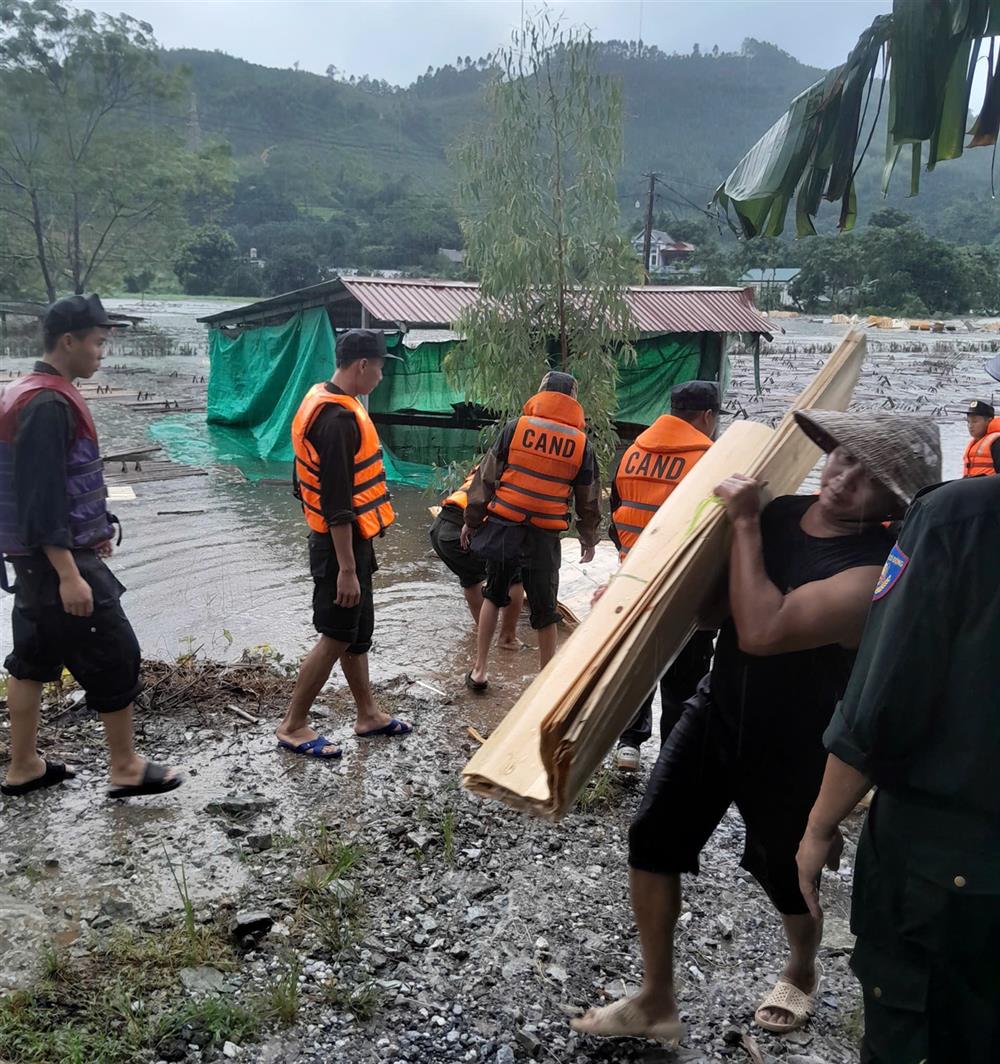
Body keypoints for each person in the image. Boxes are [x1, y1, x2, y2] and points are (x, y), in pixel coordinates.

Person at [572, 410, 940, 1046]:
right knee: (653, 836)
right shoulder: (776, 513)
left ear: (893, 502)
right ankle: (657, 997)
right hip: (721, 704)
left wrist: (742, 521)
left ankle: (800, 966)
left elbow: (765, 631)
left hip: (798, 737)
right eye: (844, 456)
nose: (845, 477)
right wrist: (631, 598)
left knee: (781, 868)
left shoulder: (875, 570)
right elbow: (717, 611)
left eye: (871, 476)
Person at [796, 360, 1000, 1063]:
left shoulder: (958, 518)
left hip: (945, 864)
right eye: (835, 457)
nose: (838, 475)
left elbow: (882, 704)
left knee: (919, 1031)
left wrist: (820, 825)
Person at [0, 294, 182, 799]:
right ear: (68, 341)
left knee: (32, 659)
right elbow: (43, 499)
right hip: (54, 561)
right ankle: (124, 765)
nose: (101, 353)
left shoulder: (25, 391)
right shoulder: (49, 404)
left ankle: (24, 766)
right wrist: (69, 573)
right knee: (116, 652)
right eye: (98, 342)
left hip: (29, 562)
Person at [277, 329, 412, 760]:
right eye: (381, 367)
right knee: (335, 635)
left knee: (356, 636)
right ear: (362, 366)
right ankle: (294, 724)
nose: (382, 375)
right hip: (340, 546)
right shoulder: (335, 420)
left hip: (354, 541)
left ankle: (367, 714)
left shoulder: (330, 401)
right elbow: (336, 503)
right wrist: (348, 569)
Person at [460, 371, 600, 691]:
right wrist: (589, 538)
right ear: (573, 400)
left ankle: (480, 670)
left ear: (541, 393)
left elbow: (487, 477)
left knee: (493, 593)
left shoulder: (516, 428)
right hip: (544, 534)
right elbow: (588, 497)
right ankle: (545, 685)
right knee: (545, 607)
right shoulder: (581, 444)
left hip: (504, 524)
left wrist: (471, 520)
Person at [608, 380, 721, 774]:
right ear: (707, 416)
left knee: (638, 667)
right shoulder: (712, 460)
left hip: (634, 581)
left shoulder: (633, 452)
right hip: (685, 589)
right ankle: (671, 760)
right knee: (684, 680)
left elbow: (617, 513)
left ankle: (629, 746)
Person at [429, 463, 525, 647]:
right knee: (515, 576)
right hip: (459, 529)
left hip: (439, 528)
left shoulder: (490, 462)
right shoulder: (518, 471)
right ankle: (508, 638)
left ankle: (481, 631)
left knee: (471, 578)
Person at [962, 398, 1000, 477]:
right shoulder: (974, 443)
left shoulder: (996, 442)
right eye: (968, 422)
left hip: (989, 488)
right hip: (972, 487)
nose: (970, 426)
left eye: (975, 421)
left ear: (989, 421)